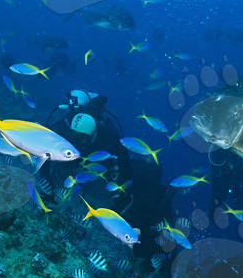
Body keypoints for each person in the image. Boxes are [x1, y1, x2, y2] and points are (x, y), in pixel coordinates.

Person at [41, 89, 174, 260]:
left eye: (84, 140)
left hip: (117, 170)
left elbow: (124, 177)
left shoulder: (109, 137)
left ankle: (161, 211)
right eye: (77, 139)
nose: (81, 144)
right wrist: (47, 193)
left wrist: (130, 224)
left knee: (143, 230)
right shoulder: (63, 128)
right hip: (89, 171)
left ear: (95, 132)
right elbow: (42, 153)